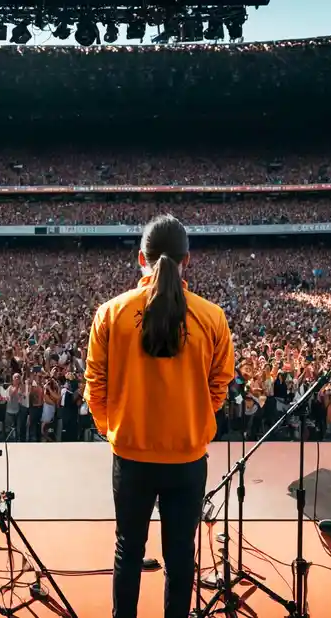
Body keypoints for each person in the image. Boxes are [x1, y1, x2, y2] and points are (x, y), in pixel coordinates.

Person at [84, 214, 235, 618]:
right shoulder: (211, 317)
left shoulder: (111, 313)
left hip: (131, 456)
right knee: (181, 555)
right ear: (188, 260)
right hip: (187, 457)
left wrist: (113, 429)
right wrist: (194, 417)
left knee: (128, 550)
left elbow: (95, 385)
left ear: (141, 259)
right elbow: (220, 383)